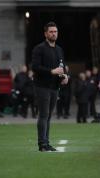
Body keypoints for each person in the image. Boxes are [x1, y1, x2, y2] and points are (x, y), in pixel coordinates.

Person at [32, 22, 68, 152]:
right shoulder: (39, 48)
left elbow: (62, 66)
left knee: (48, 116)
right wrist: (51, 72)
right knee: (44, 114)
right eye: (51, 31)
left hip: (54, 87)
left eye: (55, 31)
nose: (54, 33)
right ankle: (42, 144)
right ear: (46, 33)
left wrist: (65, 76)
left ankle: (46, 143)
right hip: (42, 86)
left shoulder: (59, 50)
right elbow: (35, 67)